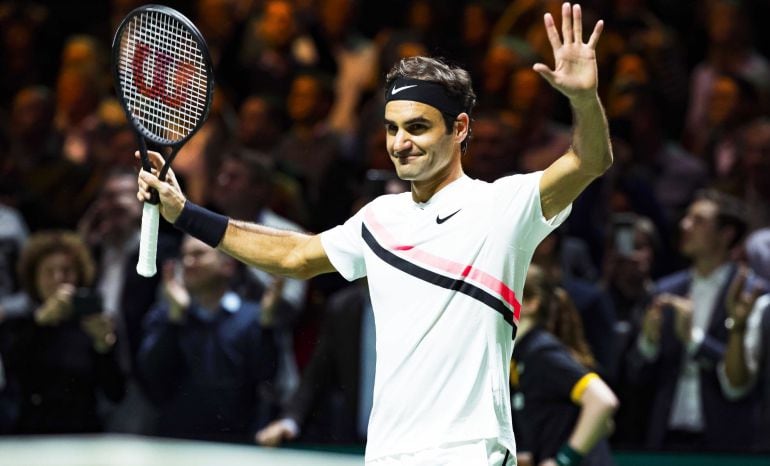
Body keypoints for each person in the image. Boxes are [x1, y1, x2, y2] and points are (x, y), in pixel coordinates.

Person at [136, 3, 612, 463]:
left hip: (470, 451)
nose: (400, 143)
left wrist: (584, 99)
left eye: (418, 128)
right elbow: (296, 256)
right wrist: (185, 213)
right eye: (391, 128)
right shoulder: (379, 218)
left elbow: (589, 161)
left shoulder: (503, 206)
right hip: (386, 452)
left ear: (460, 128)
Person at [625, 190, 765, 452]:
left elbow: (743, 380)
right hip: (665, 438)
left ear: (727, 234)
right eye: (687, 217)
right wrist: (648, 343)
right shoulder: (664, 291)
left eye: (699, 220)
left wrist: (694, 340)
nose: (684, 225)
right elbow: (635, 377)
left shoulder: (751, 294)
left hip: (727, 441)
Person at [135, 235, 278, 443]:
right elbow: (150, 375)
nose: (188, 262)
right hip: (175, 443)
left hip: (236, 445)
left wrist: (266, 327)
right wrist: (175, 318)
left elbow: (267, 376)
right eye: (184, 256)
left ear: (228, 265)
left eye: (198, 254)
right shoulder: (165, 315)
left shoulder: (252, 317)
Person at [0, 230, 125, 434]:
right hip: (29, 436)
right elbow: (13, 378)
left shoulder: (95, 323)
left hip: (81, 437)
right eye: (49, 272)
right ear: (35, 279)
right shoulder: (17, 325)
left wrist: (104, 346)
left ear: (79, 276)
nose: (58, 279)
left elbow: (116, 393)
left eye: (67, 271)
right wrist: (39, 323)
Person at [511, 264, 618, 466]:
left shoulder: (541, 353)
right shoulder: (520, 356)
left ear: (531, 303)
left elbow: (602, 401)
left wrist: (563, 460)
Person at [256, 279, 374, 447]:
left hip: (410, 441)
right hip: (356, 441)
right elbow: (316, 374)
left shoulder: (418, 307)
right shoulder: (342, 307)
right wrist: (289, 420)